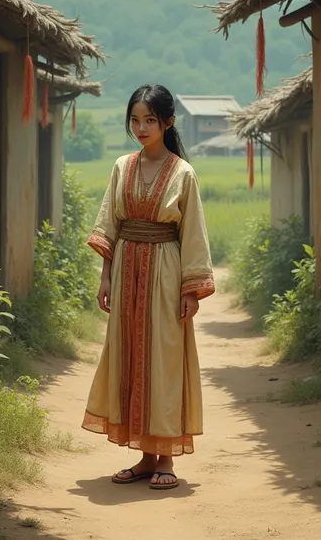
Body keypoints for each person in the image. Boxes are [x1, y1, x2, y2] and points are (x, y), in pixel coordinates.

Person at [82, 84, 215, 490]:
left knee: (164, 358)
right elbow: (110, 224)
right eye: (135, 120)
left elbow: (192, 233)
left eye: (150, 120)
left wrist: (190, 289)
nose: (140, 127)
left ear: (168, 123)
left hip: (166, 273)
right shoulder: (122, 166)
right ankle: (145, 457)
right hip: (126, 270)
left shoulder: (183, 173)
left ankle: (167, 459)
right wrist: (106, 276)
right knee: (131, 355)